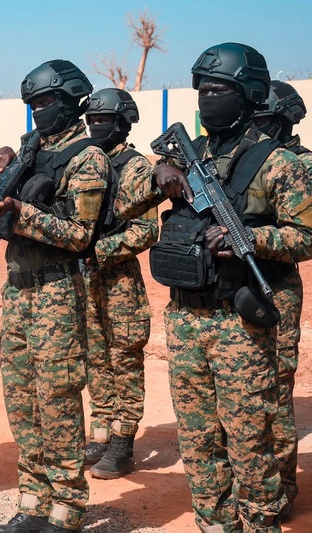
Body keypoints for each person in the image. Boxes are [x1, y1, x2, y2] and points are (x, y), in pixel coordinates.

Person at [114, 42, 312, 532]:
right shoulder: (186, 153)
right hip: (184, 318)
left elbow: (305, 235)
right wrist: (159, 175)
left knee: (250, 440)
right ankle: (214, 523)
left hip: (239, 319)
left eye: (218, 89)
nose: (206, 99)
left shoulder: (278, 161)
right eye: (201, 89)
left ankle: (262, 521)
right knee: (198, 441)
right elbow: (123, 205)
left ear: (247, 95)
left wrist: (249, 237)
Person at [0, 60, 110, 533]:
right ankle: (33, 502)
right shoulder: (32, 149)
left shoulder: (87, 157)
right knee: (22, 401)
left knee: (57, 400)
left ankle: (68, 508)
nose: (38, 111)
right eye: (32, 104)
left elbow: (80, 233)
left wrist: (24, 214)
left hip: (56, 291)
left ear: (72, 99)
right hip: (17, 292)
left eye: (46, 102)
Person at [82, 88, 158, 479]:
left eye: (103, 120)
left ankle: (123, 440)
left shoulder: (135, 168)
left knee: (123, 357)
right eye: (91, 119)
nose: (96, 126)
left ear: (122, 122)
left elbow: (146, 230)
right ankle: (100, 432)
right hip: (83, 276)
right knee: (95, 356)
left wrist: (100, 250)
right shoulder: (83, 162)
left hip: (118, 278)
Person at [252, 79, 311, 518]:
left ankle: (282, 486)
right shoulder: (244, 159)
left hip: (277, 285)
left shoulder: (300, 166)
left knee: (275, 386)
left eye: (265, 120)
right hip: (235, 285)